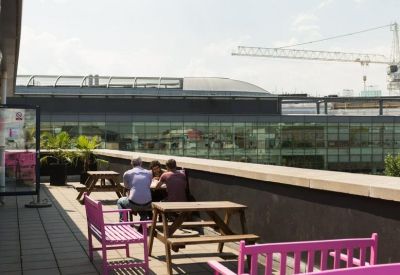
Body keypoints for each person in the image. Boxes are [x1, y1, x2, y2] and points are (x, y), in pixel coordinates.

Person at [117, 157, 152, 221]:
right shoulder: (149, 173)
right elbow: (148, 185)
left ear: (131, 163)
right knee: (143, 204)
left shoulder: (127, 173)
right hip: (148, 203)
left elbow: (127, 186)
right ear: (141, 163)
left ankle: (123, 221)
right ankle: (143, 223)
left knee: (120, 201)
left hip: (133, 203)